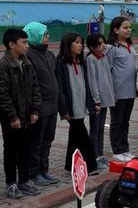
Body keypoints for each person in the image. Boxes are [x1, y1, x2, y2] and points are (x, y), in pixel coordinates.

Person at [0, 28, 41, 199]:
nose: (27, 46)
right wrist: (12, 117)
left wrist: (35, 110)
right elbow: (2, 95)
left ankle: (24, 180)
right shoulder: (3, 66)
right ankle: (11, 183)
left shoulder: (26, 63)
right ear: (12, 45)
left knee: (25, 150)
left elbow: (35, 87)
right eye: (24, 42)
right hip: (12, 120)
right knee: (11, 151)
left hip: (27, 116)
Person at [23, 22, 60, 187]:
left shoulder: (49, 54)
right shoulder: (29, 55)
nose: (48, 37)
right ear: (35, 35)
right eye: (45, 34)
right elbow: (32, 85)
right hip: (40, 106)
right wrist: (34, 108)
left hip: (52, 105)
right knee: (36, 141)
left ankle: (44, 170)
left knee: (48, 139)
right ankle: (34, 172)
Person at [55, 33, 98, 174]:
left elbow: (86, 84)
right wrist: (64, 109)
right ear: (68, 44)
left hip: (81, 103)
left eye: (81, 43)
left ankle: (70, 165)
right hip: (71, 106)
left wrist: (91, 103)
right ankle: (91, 165)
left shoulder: (81, 62)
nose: (80, 45)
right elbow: (60, 87)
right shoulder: (61, 63)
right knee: (82, 135)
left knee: (75, 137)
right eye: (77, 42)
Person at [106, 16, 138, 161]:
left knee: (126, 121)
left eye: (129, 27)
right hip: (118, 93)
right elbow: (108, 70)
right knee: (117, 121)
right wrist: (111, 92)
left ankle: (125, 149)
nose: (128, 30)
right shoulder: (112, 48)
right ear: (116, 30)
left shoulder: (130, 47)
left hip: (130, 91)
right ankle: (117, 150)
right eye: (125, 27)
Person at [85, 33, 115, 170]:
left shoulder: (103, 57)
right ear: (92, 47)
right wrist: (96, 100)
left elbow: (108, 78)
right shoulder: (91, 59)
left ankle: (101, 155)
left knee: (101, 129)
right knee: (95, 129)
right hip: (97, 102)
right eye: (100, 43)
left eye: (104, 42)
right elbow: (92, 81)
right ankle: (94, 157)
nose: (103, 45)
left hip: (105, 100)